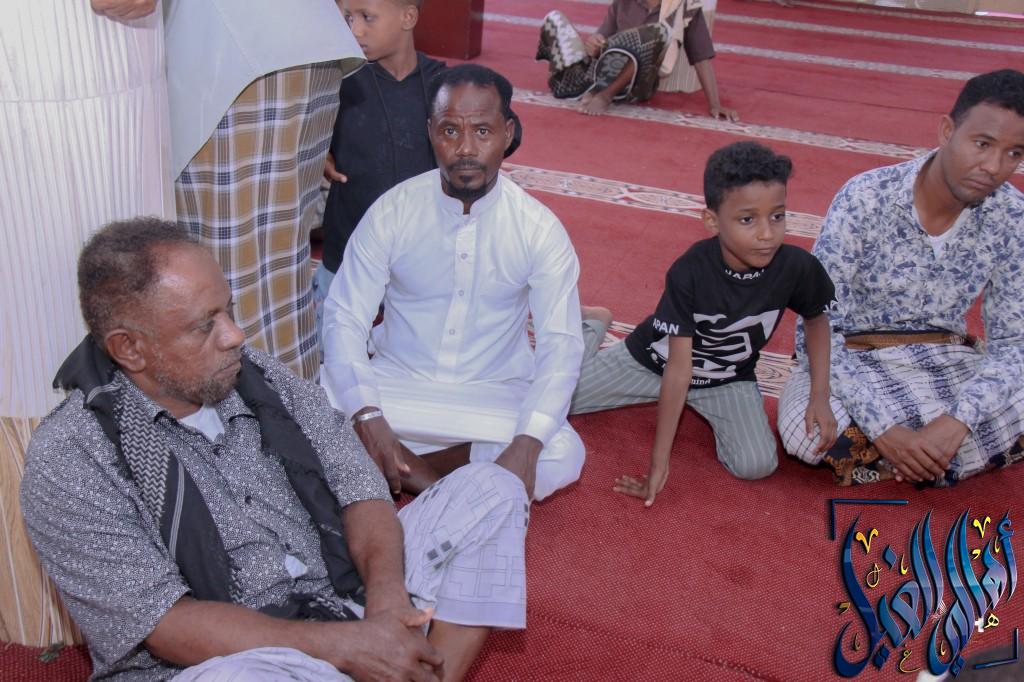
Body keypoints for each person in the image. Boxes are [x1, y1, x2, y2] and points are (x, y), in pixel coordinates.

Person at [20, 218, 529, 681]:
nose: (235, 335)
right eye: (204, 325)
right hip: (226, 658)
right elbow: (165, 624)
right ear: (129, 348)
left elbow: (360, 488)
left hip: (343, 595)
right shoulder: (71, 457)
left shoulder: (259, 378)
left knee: (492, 489)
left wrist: (387, 600)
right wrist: (347, 647)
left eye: (228, 310)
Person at [322, 64, 585, 502]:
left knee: (561, 452)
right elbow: (344, 317)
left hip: (493, 393)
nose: (465, 148)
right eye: (450, 131)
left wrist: (526, 442)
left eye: (482, 131)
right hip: (398, 385)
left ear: (507, 133)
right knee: (316, 409)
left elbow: (561, 345)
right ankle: (456, 487)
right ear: (430, 131)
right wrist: (367, 414)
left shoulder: (538, 228)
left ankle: (401, 469)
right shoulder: (393, 212)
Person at [0, 0, 174, 648]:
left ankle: (164, 584)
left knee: (132, 274)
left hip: (117, 60)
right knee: (21, 307)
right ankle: (36, 605)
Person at [778, 69, 1024, 487]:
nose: (993, 167)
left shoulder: (1013, 217)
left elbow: (1012, 344)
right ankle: (931, 459)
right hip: (854, 360)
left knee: (1005, 384)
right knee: (808, 435)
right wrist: (884, 429)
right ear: (947, 131)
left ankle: (910, 457)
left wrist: (958, 420)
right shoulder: (866, 197)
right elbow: (816, 325)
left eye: (1014, 153)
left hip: (947, 361)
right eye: (982, 144)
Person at [571, 142, 837, 505]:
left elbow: (816, 319)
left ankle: (710, 408)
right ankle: (594, 324)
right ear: (712, 221)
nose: (766, 233)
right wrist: (659, 464)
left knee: (756, 465)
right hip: (654, 363)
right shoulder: (690, 271)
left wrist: (819, 397)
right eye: (748, 219)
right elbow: (678, 371)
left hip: (727, 378)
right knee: (560, 402)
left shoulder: (796, 267)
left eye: (777, 216)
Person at [165, 0, 365, 381]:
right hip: (283, 40)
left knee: (225, 281)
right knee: (275, 277)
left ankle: (261, 414)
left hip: (235, 49)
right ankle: (293, 412)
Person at [314, 0, 446, 338]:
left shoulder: (442, 85)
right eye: (348, 18)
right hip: (347, 244)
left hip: (419, 252)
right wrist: (320, 154)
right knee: (329, 344)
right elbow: (305, 124)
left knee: (421, 344)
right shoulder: (339, 78)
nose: (354, 30)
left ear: (408, 17)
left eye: (367, 18)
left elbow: (499, 127)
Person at [536, 0, 737, 119]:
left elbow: (701, 58)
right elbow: (602, 40)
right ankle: (582, 89)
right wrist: (594, 43)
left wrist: (715, 104)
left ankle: (605, 96)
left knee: (655, 33)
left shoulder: (684, 6)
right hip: (598, 72)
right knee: (555, 19)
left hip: (635, 85)